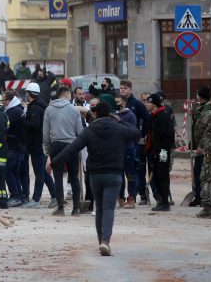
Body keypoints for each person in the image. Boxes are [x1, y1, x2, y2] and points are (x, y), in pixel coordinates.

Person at [51, 102, 140, 256]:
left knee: (99, 208)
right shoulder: (119, 128)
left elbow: (71, 149)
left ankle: (101, 242)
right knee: (108, 208)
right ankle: (105, 241)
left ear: (96, 114)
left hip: (95, 175)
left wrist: (53, 163)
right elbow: (136, 132)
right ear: (110, 114)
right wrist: (119, 120)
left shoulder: (89, 130)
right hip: (114, 174)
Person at [43, 86, 84, 215]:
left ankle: (60, 207)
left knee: (58, 176)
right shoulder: (74, 109)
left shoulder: (49, 109)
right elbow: (80, 131)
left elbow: (45, 132)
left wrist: (47, 148)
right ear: (66, 95)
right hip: (72, 145)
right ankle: (76, 208)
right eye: (70, 95)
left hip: (56, 145)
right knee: (74, 176)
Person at [22, 82, 56, 208]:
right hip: (40, 144)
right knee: (43, 172)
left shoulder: (36, 108)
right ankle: (55, 196)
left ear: (28, 93)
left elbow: (34, 126)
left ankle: (36, 200)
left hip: (38, 145)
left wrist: (23, 120)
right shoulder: (38, 105)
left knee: (39, 173)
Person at [119, 80, 150, 205]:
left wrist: (142, 134)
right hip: (118, 144)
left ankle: (136, 195)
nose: (123, 90)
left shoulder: (136, 104)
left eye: (125, 88)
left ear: (130, 89)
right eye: (121, 88)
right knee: (119, 172)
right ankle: (120, 196)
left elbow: (147, 118)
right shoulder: (117, 103)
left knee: (134, 171)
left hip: (133, 143)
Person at [144, 93, 175, 211]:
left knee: (163, 176)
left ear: (155, 104)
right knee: (157, 176)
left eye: (149, 102)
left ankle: (164, 203)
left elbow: (167, 135)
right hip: (155, 151)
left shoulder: (163, 116)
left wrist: (163, 151)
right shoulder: (155, 115)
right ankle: (161, 201)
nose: (146, 104)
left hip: (162, 152)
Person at [188, 86, 211, 207]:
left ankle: (206, 198)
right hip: (198, 144)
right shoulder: (199, 107)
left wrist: (202, 146)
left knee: (206, 173)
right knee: (197, 171)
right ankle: (198, 196)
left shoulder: (208, 108)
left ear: (200, 95)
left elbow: (206, 129)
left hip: (205, 146)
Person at [4, 90, 29, 207]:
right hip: (19, 145)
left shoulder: (13, 112)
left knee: (7, 170)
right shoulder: (18, 109)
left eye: (3, 100)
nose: (2, 103)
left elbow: (5, 126)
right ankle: (18, 195)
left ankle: (15, 196)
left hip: (15, 146)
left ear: (8, 100)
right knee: (14, 171)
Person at [114, 94, 138, 209]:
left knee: (130, 175)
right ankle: (120, 198)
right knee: (119, 175)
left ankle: (131, 198)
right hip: (117, 149)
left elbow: (132, 132)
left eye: (118, 102)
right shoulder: (114, 115)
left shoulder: (130, 115)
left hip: (128, 149)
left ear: (123, 103)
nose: (116, 104)